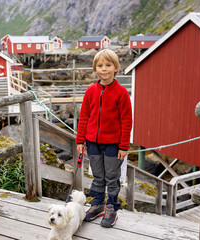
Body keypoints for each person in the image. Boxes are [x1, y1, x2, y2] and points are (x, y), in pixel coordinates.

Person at [76, 49, 132, 228]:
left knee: (112, 177)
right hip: (92, 142)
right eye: (100, 66)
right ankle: (97, 204)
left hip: (113, 145)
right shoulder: (90, 91)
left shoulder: (121, 93)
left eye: (108, 65)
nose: (104, 69)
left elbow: (126, 120)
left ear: (116, 68)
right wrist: (80, 140)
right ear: (95, 69)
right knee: (98, 176)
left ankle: (111, 208)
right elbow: (84, 117)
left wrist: (124, 146)